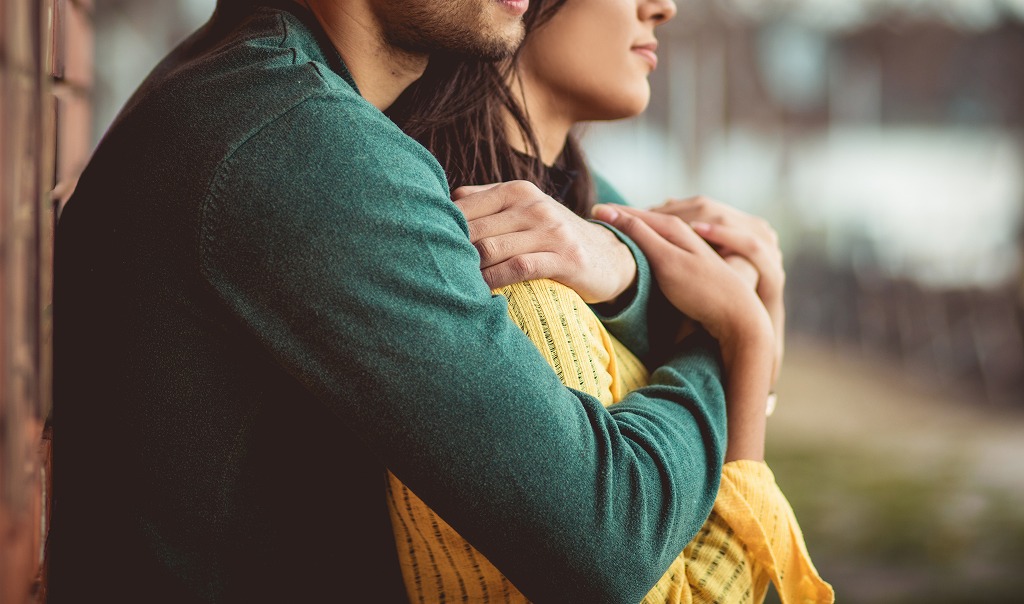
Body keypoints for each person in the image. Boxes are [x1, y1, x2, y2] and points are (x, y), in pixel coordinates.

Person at [49, 0, 777, 602]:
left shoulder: (273, 94)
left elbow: (629, 243)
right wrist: (724, 345)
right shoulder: (301, 139)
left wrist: (625, 270)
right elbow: (611, 537)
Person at [387, 0, 833, 601]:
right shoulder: (513, 278)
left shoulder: (582, 214)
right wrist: (740, 338)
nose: (664, 8)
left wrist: (743, 309)